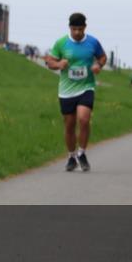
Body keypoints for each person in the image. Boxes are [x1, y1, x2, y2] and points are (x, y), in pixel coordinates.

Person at [44, 13, 107, 172]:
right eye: (74, 29)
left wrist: (98, 65)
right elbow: (49, 62)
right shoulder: (61, 43)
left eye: (80, 29)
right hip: (66, 91)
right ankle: (71, 156)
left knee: (84, 119)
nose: (77, 32)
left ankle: (82, 153)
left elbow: (103, 57)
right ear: (69, 28)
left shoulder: (92, 42)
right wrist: (58, 64)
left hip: (86, 87)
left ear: (85, 27)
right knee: (70, 125)